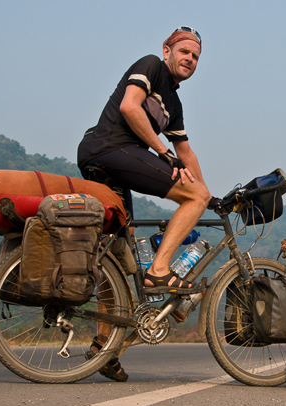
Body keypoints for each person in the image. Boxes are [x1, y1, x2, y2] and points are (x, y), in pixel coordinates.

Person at [77, 26, 212, 382]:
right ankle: (159, 271)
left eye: (196, 56)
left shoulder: (175, 103)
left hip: (111, 163)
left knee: (118, 261)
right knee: (191, 197)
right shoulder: (151, 65)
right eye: (184, 51)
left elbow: (187, 152)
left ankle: (103, 350)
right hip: (110, 149)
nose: (190, 59)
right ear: (167, 49)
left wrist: (210, 196)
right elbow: (129, 107)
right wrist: (164, 153)